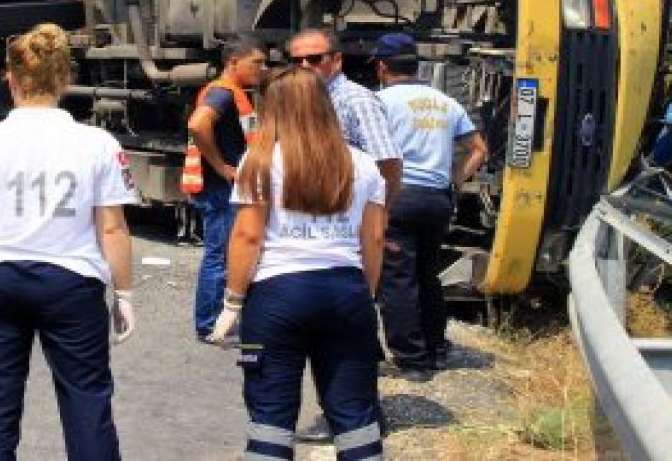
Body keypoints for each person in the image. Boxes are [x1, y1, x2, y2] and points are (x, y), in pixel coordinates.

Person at [0, 23, 138, 461]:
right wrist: (123, 293)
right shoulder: (98, 143)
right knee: (86, 399)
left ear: (9, 78)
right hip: (72, 280)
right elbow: (113, 228)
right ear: (64, 79)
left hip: (0, 280)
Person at [207, 66, 387, 461]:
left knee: (271, 417)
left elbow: (247, 237)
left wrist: (232, 302)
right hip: (346, 291)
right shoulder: (363, 164)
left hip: (277, 296)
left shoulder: (260, 161)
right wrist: (366, 296)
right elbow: (373, 239)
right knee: (355, 419)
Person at [286, 27, 400, 440]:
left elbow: (387, 163)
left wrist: (378, 222)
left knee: (353, 332)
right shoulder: (310, 102)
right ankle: (348, 418)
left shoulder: (354, 100)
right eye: (296, 61)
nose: (304, 68)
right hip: (326, 230)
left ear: (336, 60)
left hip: (353, 228)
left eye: (313, 59)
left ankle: (361, 419)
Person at [372, 33, 488, 376]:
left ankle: (413, 359)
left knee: (397, 279)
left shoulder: (380, 102)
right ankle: (436, 346)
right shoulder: (445, 102)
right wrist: (454, 179)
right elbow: (479, 149)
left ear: (381, 66)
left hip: (398, 197)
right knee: (427, 274)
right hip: (437, 200)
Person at [185, 37, 267, 341]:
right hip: (220, 188)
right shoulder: (221, 92)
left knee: (220, 254)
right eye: (256, 62)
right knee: (219, 256)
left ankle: (215, 320)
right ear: (233, 62)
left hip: (222, 187)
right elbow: (197, 124)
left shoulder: (230, 92)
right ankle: (208, 323)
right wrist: (221, 166)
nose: (263, 68)